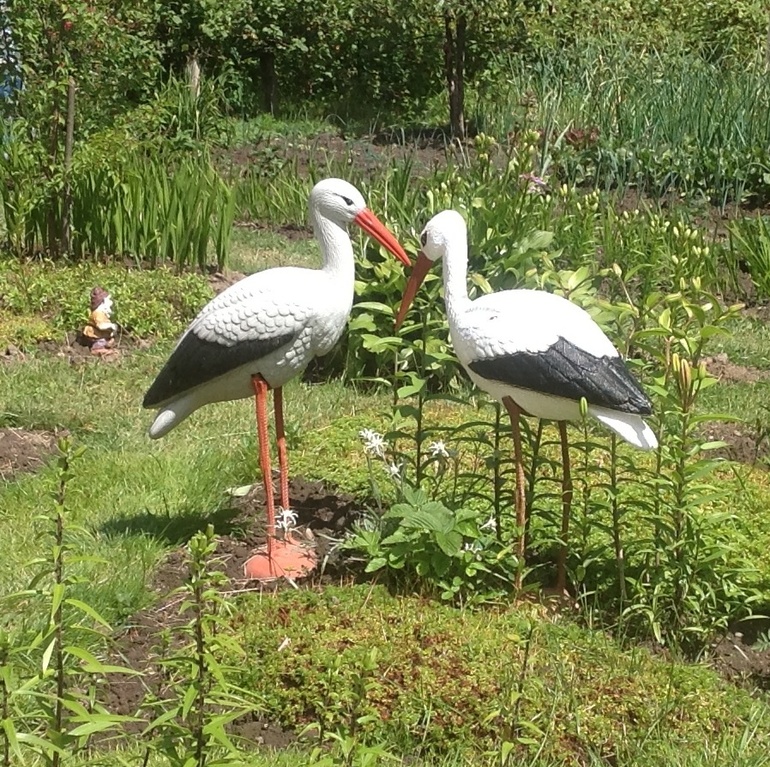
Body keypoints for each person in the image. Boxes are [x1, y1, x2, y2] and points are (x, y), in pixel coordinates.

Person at [81, 287, 118, 355]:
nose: (111, 302)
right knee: (101, 341)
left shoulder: (103, 313)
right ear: (103, 302)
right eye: (109, 300)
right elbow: (100, 326)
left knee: (110, 340)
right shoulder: (98, 313)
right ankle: (96, 349)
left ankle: (106, 345)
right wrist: (111, 326)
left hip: (102, 334)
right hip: (95, 335)